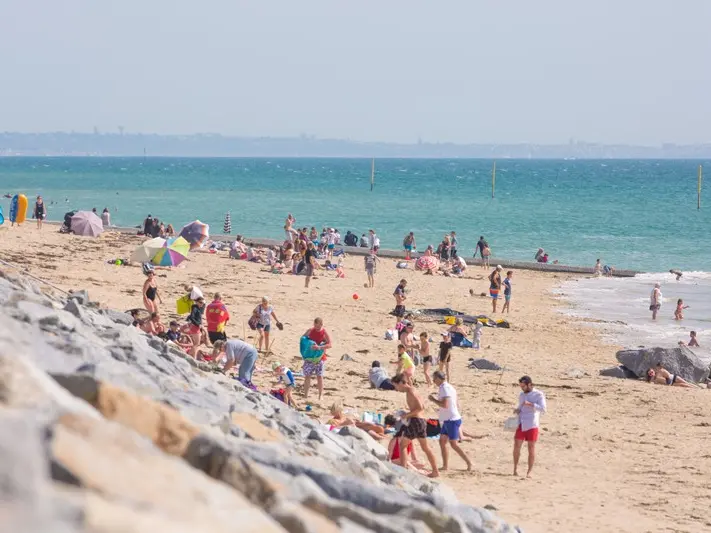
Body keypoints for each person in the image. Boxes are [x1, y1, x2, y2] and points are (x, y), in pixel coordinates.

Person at [390, 373, 439, 478]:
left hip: (416, 421)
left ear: (401, 383)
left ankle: (403, 470)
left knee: (403, 445)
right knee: (425, 448)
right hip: (421, 421)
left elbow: (421, 408)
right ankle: (435, 471)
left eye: (396, 386)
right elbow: (422, 406)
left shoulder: (411, 391)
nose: (396, 389)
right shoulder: (413, 390)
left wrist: (406, 415)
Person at [429, 371, 472, 472]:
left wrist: (433, 400)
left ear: (439, 378)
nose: (433, 381)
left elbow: (445, 405)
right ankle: (445, 466)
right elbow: (454, 404)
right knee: (442, 442)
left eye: (435, 378)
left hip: (451, 420)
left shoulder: (445, 388)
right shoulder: (448, 387)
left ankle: (469, 462)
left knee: (454, 444)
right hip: (448, 419)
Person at [513, 375, 547, 478]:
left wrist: (532, 404)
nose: (522, 388)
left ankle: (529, 471)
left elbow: (543, 409)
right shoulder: (521, 395)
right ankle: (515, 469)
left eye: (523, 386)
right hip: (521, 422)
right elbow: (520, 406)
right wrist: (517, 410)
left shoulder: (539, 394)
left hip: (532, 424)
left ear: (529, 384)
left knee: (531, 448)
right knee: (516, 446)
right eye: (521, 386)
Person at [302, 318, 332, 400]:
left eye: (319, 325)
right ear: (314, 324)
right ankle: (305, 395)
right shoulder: (310, 331)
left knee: (319, 376)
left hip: (320, 357)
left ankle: (320, 395)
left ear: (322, 324)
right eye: (316, 325)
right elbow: (302, 340)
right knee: (307, 376)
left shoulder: (324, 332)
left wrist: (319, 347)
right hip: (309, 358)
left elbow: (330, 345)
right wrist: (307, 347)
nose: (318, 327)